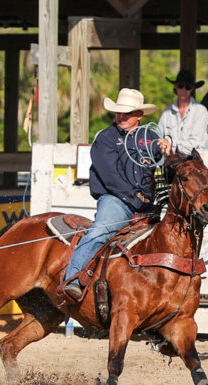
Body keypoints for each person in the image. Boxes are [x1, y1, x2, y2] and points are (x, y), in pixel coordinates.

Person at [64, 89, 171, 301]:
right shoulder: (106, 138)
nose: (121, 117)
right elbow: (110, 177)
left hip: (148, 203)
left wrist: (167, 153)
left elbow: (164, 170)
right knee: (100, 231)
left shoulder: (152, 138)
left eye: (127, 113)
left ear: (139, 115)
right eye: (118, 113)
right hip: (116, 200)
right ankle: (73, 278)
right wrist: (138, 199)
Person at [158, 70, 208, 155]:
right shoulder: (166, 113)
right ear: (175, 86)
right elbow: (158, 136)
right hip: (170, 161)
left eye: (188, 87)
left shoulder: (201, 111)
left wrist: (170, 146)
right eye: (180, 86)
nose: (183, 89)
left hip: (193, 161)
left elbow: (195, 144)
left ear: (192, 88)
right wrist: (162, 144)